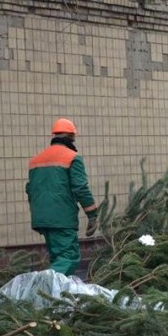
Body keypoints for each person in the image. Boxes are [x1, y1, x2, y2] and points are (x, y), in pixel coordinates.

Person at [26, 118, 99, 276]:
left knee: (57, 258)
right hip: (62, 218)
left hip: (41, 218)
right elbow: (80, 188)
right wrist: (92, 214)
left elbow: (30, 189)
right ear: (72, 137)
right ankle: (44, 289)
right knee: (68, 257)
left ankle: (56, 296)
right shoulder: (72, 157)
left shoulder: (36, 160)